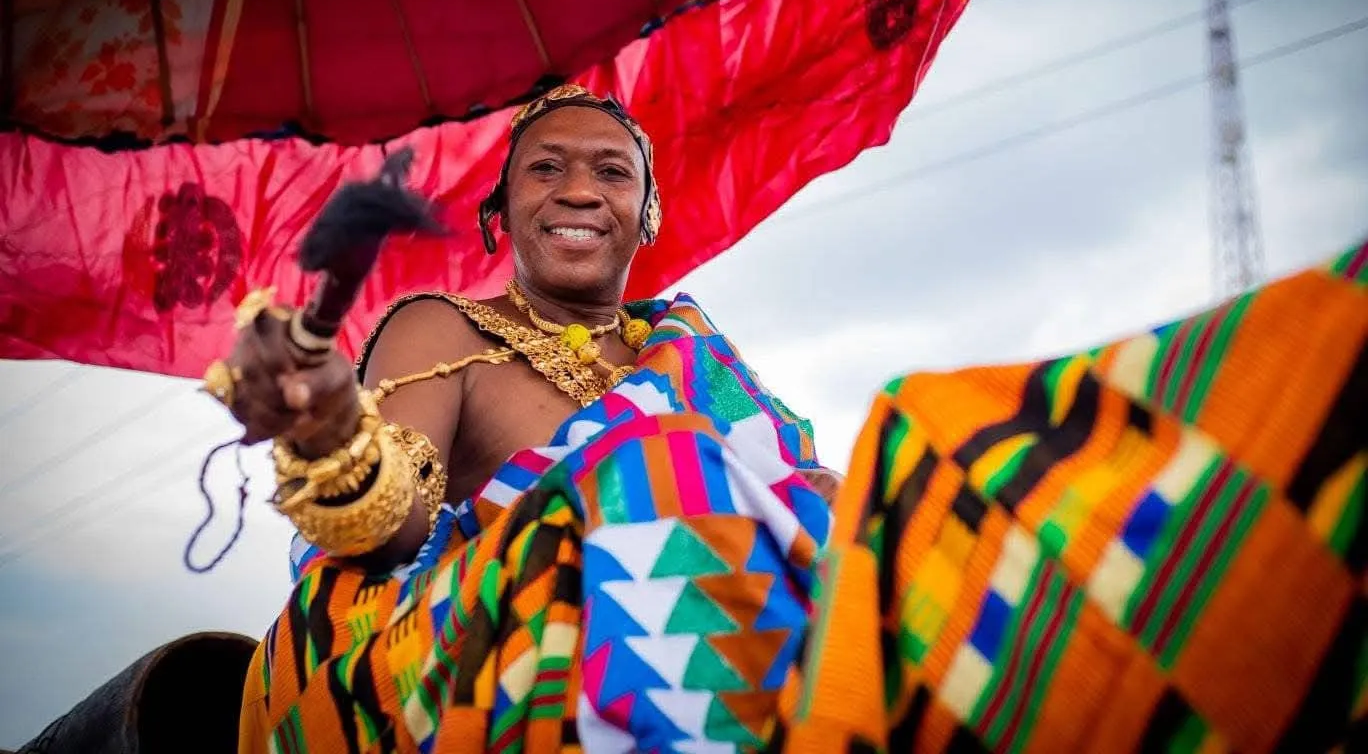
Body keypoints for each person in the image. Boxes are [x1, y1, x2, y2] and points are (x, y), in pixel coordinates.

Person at [215, 84, 1366, 753]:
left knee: (946, 448)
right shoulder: (442, 325)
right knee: (657, 465)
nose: (577, 188)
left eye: (611, 172)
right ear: (498, 208)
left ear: (648, 211)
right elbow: (393, 523)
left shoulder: (697, 355)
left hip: (775, 642)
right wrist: (327, 435)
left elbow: (806, 516)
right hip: (457, 662)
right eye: (545, 169)